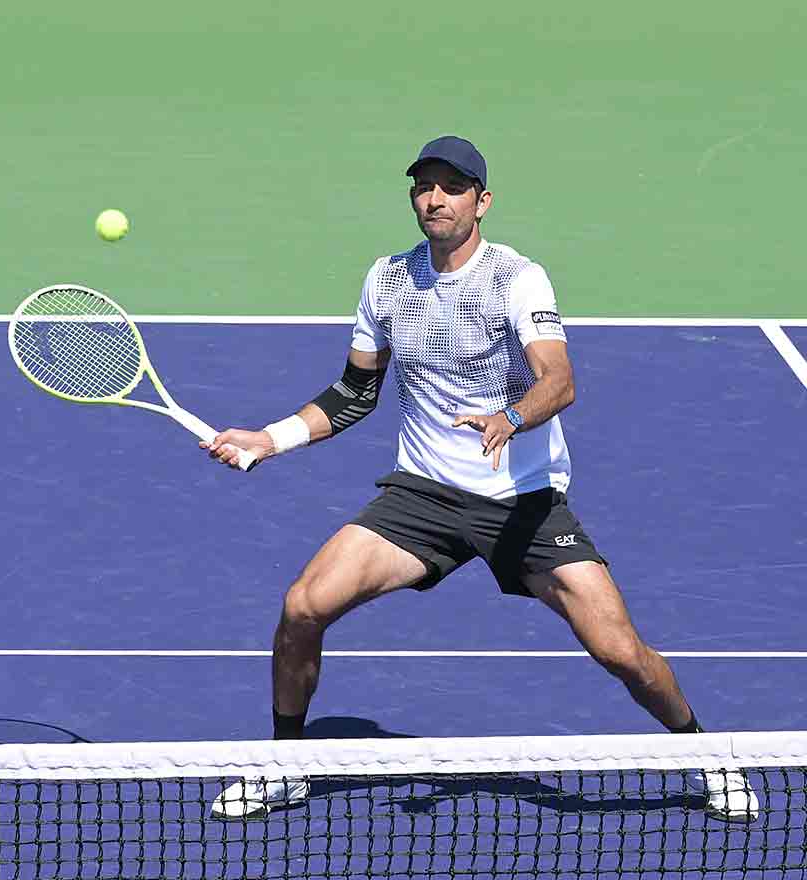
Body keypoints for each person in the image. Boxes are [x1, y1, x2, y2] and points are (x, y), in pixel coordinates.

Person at [200, 137, 757, 823]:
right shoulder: (387, 280)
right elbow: (354, 392)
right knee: (303, 606)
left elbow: (560, 380)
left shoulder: (518, 279)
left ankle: (704, 752)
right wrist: (272, 437)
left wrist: (512, 417)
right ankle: (285, 764)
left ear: (481, 201)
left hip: (521, 503)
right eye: (423, 187)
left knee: (621, 653)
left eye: (452, 187)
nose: (434, 199)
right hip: (423, 499)